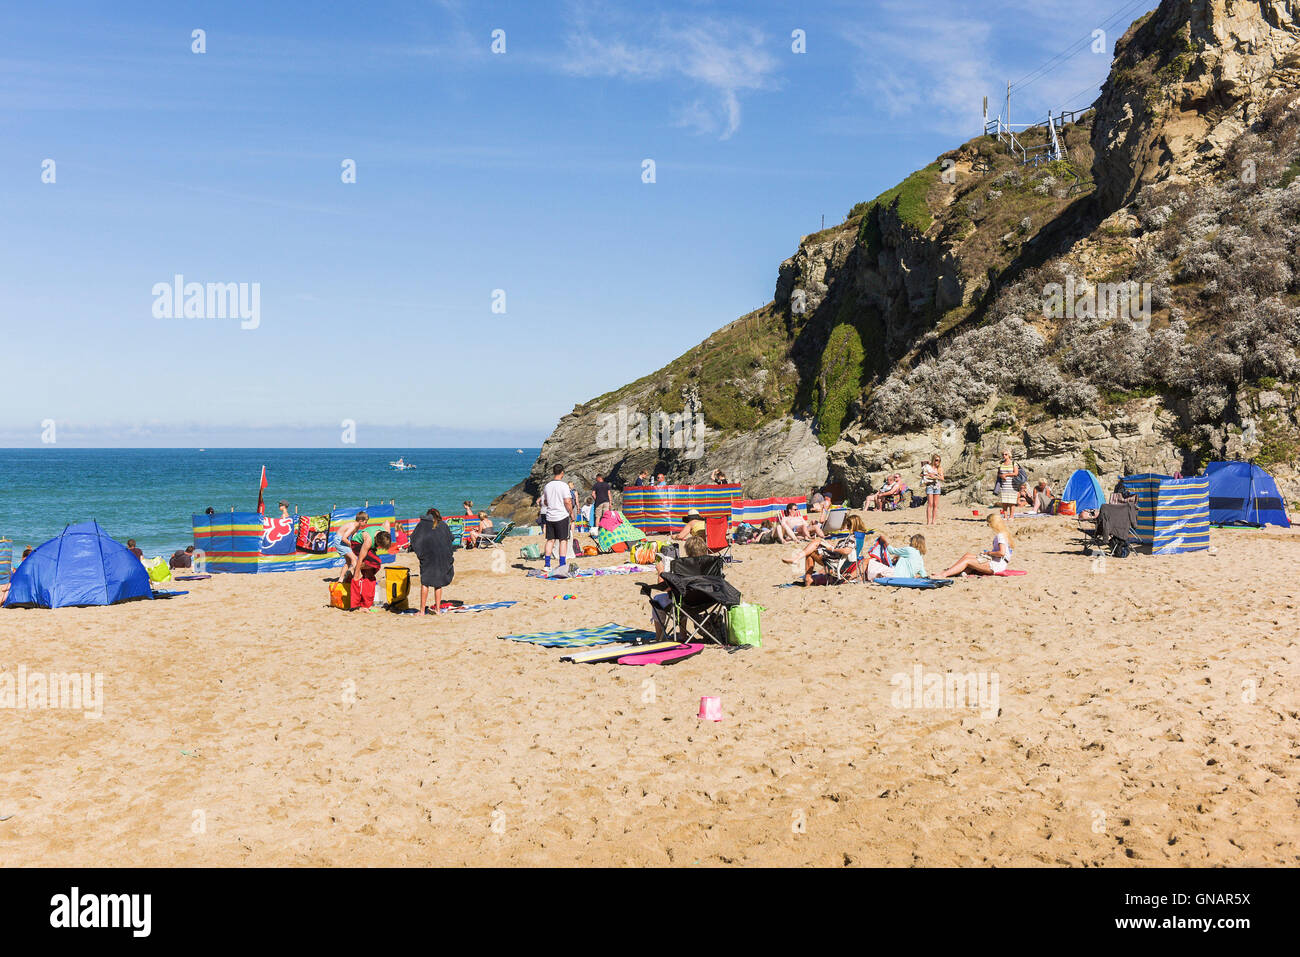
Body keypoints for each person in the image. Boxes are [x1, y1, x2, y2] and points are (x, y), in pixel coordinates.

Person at [648, 534, 709, 640]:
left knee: (662, 599)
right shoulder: (712, 564)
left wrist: (660, 570)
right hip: (707, 601)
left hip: (685, 603)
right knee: (683, 596)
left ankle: (659, 637)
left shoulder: (682, 565)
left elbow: (664, 588)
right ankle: (683, 635)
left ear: (687, 551)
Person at [783, 514, 867, 586]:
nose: (847, 527)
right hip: (847, 562)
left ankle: (799, 564)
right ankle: (804, 571)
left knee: (813, 548)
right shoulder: (860, 536)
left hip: (837, 561)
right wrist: (833, 546)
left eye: (848, 525)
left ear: (853, 525)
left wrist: (832, 549)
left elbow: (847, 551)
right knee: (817, 542)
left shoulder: (853, 537)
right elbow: (849, 549)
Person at [411, 508, 454, 616]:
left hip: (428, 556)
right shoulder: (443, 525)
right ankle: (438, 610)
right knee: (438, 583)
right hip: (441, 557)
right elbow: (451, 539)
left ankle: (421, 611)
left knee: (425, 582)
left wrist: (420, 553)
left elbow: (414, 539)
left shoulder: (423, 525)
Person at [941, 514, 1015, 577]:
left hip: (996, 566)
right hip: (999, 563)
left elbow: (1001, 553)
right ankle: (952, 570)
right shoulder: (1005, 533)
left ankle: (943, 575)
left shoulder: (1000, 536)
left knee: (968, 560)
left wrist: (989, 553)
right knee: (967, 555)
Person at [540, 463, 574, 570]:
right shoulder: (564, 485)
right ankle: (562, 564)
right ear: (562, 472)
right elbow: (567, 501)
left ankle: (547, 565)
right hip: (561, 516)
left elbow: (545, 501)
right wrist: (571, 513)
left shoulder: (547, 486)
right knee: (563, 540)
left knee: (550, 540)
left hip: (550, 516)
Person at [863, 533, 928, 581]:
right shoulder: (920, 558)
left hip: (895, 574)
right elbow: (924, 574)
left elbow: (892, 551)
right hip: (905, 579)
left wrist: (885, 541)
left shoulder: (909, 550)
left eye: (911, 541)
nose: (910, 543)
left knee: (870, 561)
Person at [333, 511, 367, 582]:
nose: (366, 523)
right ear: (360, 521)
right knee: (354, 559)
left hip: (341, 540)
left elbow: (353, 537)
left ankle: (341, 579)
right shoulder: (353, 526)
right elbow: (344, 538)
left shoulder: (357, 526)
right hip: (340, 540)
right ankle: (357, 577)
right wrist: (350, 545)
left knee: (348, 561)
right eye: (365, 522)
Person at [996, 450, 1018, 521]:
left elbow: (1016, 473)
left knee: (1012, 502)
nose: (1004, 456)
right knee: (1004, 502)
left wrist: (1006, 474)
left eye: (1005, 454)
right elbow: (998, 474)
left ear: (1009, 455)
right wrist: (1001, 475)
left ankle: (1011, 516)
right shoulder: (1001, 464)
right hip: (1004, 485)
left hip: (1012, 485)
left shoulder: (1014, 463)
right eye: (1003, 454)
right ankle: (1005, 516)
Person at [922, 456, 944, 525]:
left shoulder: (939, 468)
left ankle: (933, 521)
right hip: (929, 485)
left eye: (939, 460)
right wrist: (929, 475)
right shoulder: (928, 467)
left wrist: (936, 476)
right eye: (936, 460)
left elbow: (942, 478)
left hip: (937, 486)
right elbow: (921, 474)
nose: (937, 462)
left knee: (935, 505)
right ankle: (928, 521)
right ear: (933, 460)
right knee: (930, 504)